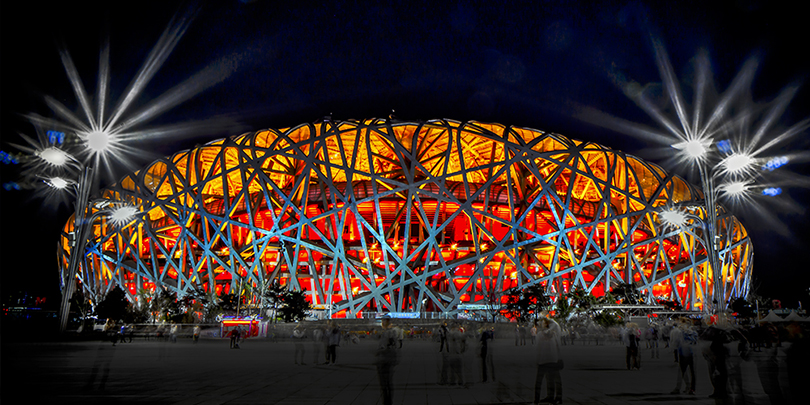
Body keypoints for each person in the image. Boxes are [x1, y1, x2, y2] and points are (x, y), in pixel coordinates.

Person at [534, 318, 563, 405]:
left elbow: (537, 349)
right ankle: (554, 397)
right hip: (553, 360)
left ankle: (537, 400)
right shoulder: (554, 334)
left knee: (540, 381)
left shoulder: (540, 335)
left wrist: (536, 360)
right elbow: (558, 347)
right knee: (552, 379)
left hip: (543, 361)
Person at [375, 317, 400, 405]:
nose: (382, 323)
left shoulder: (389, 333)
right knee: (387, 383)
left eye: (382, 321)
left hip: (384, 360)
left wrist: (379, 352)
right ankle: (387, 401)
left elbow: (387, 346)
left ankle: (387, 401)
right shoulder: (389, 333)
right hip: (386, 360)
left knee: (385, 383)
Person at [670, 323, 696, 395]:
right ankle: (691, 388)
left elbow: (677, 342)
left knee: (681, 371)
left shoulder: (681, 333)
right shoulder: (693, 333)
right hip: (691, 353)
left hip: (683, 353)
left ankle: (679, 388)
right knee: (692, 372)